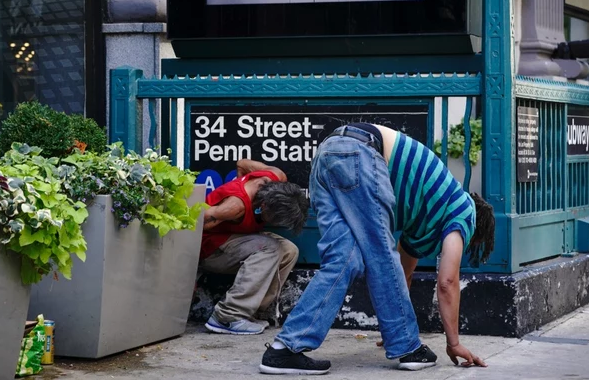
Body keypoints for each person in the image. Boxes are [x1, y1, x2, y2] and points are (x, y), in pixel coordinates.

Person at [259, 123, 495, 375]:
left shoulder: (426, 212)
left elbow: (402, 275)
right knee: (380, 253)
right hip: (360, 151)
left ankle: (284, 349)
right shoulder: (463, 211)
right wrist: (454, 343)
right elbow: (447, 282)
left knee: (344, 261)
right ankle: (409, 349)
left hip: (329, 152)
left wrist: (393, 327)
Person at [200, 159, 309, 335]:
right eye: (274, 219)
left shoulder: (276, 175)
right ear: (264, 205)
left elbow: (242, 163)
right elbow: (194, 226)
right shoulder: (235, 207)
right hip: (211, 249)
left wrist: (238, 180)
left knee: (289, 250)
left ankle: (251, 311)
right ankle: (228, 316)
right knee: (271, 248)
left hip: (236, 237)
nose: (274, 223)